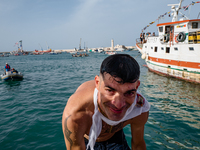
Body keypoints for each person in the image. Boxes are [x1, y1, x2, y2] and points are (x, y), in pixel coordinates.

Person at [62, 54, 150, 150]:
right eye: (110, 90)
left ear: (137, 87)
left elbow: (138, 144)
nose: (118, 105)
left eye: (129, 93)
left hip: (115, 137)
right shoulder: (76, 114)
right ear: (97, 83)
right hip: (88, 140)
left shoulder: (139, 108)